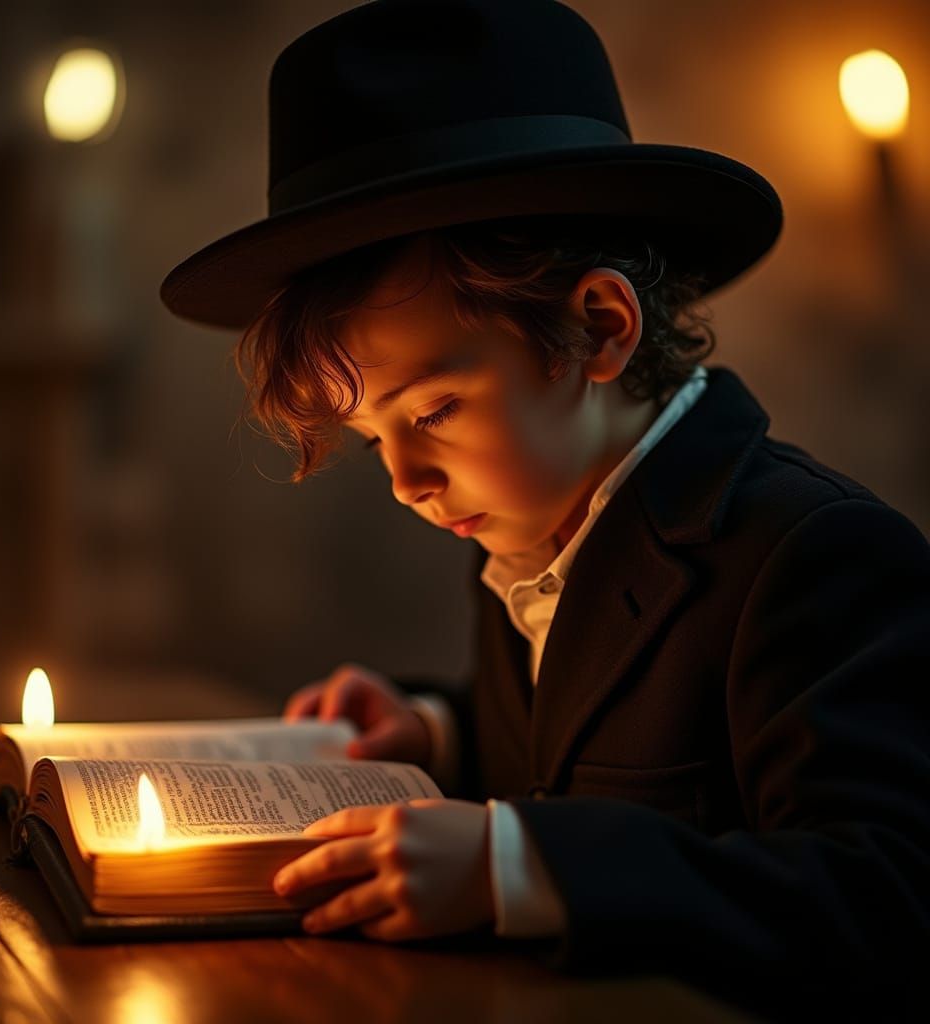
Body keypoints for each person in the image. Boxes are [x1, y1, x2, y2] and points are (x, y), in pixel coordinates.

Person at [160, 0, 930, 1003]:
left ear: (599, 327)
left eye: (435, 410)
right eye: (373, 438)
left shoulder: (815, 555)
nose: (405, 480)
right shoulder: (532, 531)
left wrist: (517, 867)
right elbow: (574, 744)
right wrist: (434, 733)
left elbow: (889, 897)